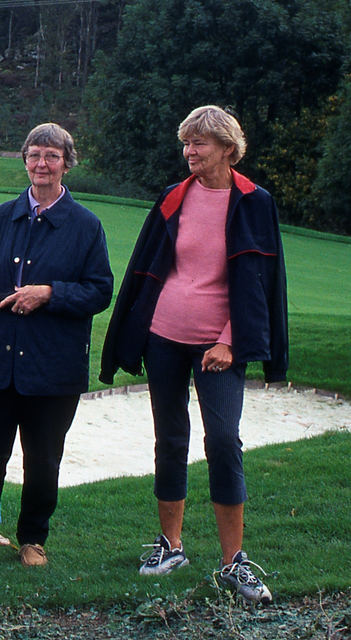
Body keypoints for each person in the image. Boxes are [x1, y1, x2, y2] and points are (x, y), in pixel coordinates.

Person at [100, 106, 286, 605]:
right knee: (171, 438)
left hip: (220, 343)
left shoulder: (254, 202)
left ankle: (233, 563)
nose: (190, 152)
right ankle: (171, 546)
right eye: (186, 143)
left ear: (228, 148)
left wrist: (229, 339)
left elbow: (259, 285)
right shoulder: (173, 198)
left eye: (200, 143)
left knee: (224, 439)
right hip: (165, 334)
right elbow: (150, 267)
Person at [0, 123, 112, 568]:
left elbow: (100, 290)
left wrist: (49, 294)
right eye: (35, 155)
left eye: (52, 156)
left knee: (42, 460)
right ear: (24, 160)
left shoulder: (85, 226)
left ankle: (33, 540)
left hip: (53, 365)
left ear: (66, 163)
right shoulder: (1, 218)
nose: (43, 164)